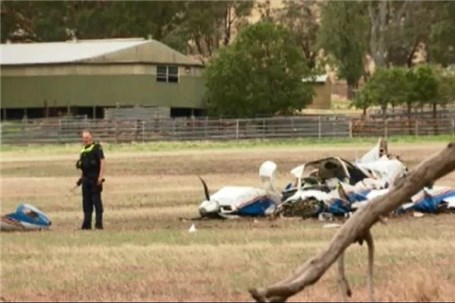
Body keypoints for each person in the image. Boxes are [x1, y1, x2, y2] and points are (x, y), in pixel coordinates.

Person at [76, 130, 105, 230]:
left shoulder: (97, 147)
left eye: (87, 137)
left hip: (95, 179)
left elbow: (102, 162)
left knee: (96, 202)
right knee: (86, 203)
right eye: (84, 138)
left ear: (91, 137)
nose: (85, 140)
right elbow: (83, 167)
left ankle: (98, 224)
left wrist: (100, 177)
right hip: (86, 180)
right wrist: (81, 179)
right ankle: (86, 225)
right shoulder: (83, 150)